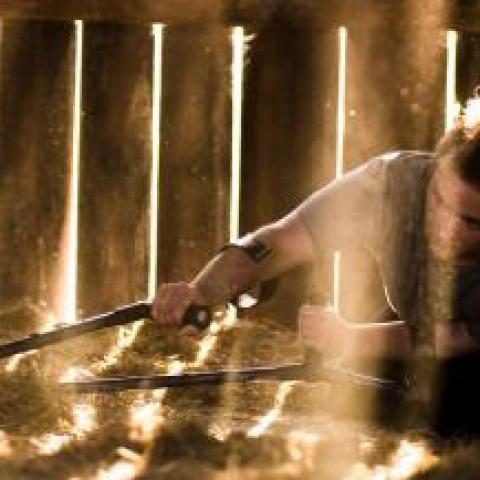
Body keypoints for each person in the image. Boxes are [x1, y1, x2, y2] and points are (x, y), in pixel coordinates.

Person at [152, 96, 480, 435]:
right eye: (439, 201)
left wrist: (351, 338)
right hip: (420, 329)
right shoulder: (392, 185)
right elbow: (283, 239)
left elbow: (460, 337)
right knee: (356, 395)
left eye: (472, 223)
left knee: (451, 407)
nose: (447, 228)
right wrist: (203, 290)